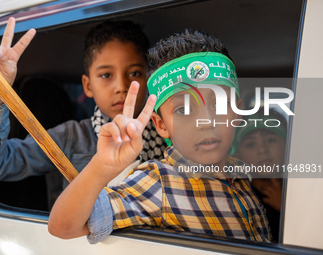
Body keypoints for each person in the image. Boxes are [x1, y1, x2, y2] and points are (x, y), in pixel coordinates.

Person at [48, 29, 272, 243]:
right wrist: (101, 167)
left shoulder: (240, 172)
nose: (206, 122)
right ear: (161, 125)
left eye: (220, 105)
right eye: (183, 110)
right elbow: (63, 226)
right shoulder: (158, 183)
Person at [0, 18, 166, 201]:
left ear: (148, 78)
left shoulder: (167, 131)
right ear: (87, 86)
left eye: (134, 73)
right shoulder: (70, 137)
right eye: (106, 75)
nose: (121, 86)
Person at [232, 108, 287, 242]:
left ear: (287, 145)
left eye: (271, 140)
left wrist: (284, 206)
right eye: (250, 144)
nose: (262, 150)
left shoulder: (306, 190)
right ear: (237, 155)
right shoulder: (239, 200)